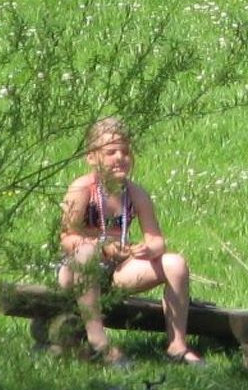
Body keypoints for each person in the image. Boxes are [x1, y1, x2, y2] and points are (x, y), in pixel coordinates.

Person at [59, 117, 201, 365]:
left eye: (125, 152)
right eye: (111, 152)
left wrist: (148, 248)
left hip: (118, 270)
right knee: (86, 254)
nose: (119, 157)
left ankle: (177, 345)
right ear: (92, 158)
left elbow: (157, 240)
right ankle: (98, 342)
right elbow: (66, 238)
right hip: (79, 270)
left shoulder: (135, 194)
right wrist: (101, 249)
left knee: (175, 263)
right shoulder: (83, 189)